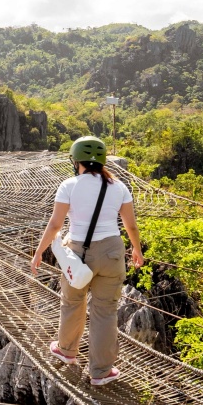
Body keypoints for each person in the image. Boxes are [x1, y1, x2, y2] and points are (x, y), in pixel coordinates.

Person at [29, 136, 144, 386]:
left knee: (72, 302)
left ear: (76, 160)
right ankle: (101, 372)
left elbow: (55, 224)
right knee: (105, 312)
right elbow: (131, 225)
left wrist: (39, 252)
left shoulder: (69, 185)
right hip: (112, 253)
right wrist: (137, 250)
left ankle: (67, 350)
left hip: (78, 253)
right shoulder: (119, 187)